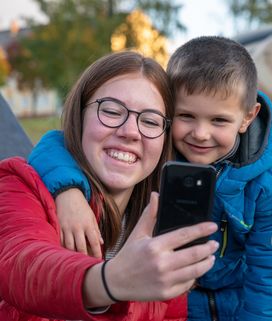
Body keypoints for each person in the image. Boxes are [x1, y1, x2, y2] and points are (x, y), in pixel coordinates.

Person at [28, 36, 272, 321]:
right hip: (168, 303)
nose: (200, 133)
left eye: (218, 120)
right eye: (186, 116)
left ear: (247, 117)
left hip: (236, 304)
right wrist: (68, 191)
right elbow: (55, 145)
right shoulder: (156, 146)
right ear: (167, 110)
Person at [0, 50, 219, 321]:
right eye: (111, 111)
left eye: (150, 121)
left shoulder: (164, 221)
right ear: (79, 116)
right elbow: (22, 265)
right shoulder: (20, 184)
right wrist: (112, 280)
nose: (129, 131)